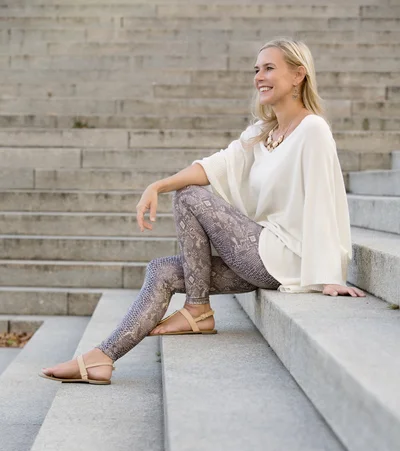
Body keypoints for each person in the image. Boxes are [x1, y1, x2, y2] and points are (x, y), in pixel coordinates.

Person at [40, 37, 366, 385]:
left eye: (269, 68)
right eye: (257, 69)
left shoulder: (312, 130)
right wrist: (157, 185)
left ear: (298, 74)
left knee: (189, 196)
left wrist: (331, 275)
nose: (259, 76)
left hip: (285, 255)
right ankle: (102, 357)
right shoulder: (261, 134)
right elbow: (214, 166)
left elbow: (324, 200)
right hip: (258, 256)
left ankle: (197, 308)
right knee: (161, 270)